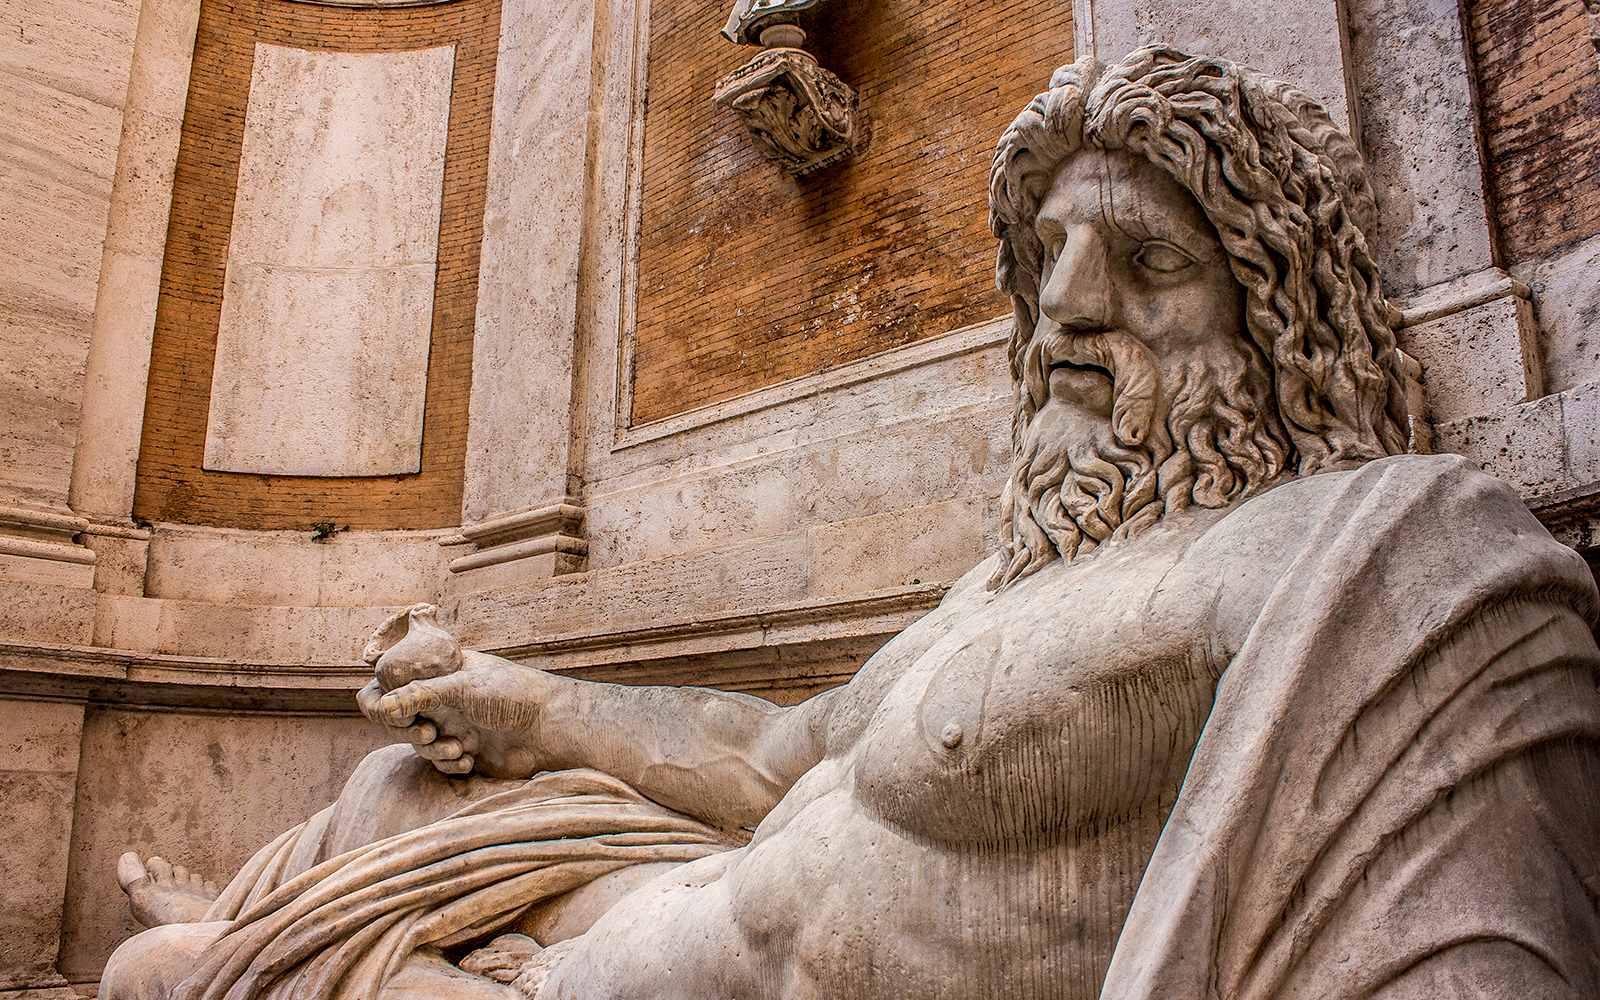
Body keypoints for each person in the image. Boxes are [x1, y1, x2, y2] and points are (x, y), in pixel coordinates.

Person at [104, 45, 1600, 1000]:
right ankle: (307, 899)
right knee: (395, 785)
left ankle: (272, 943)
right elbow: (772, 760)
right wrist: (538, 706)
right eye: (1052, 254)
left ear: (1276, 311)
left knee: (153, 979)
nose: (1069, 304)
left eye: (1145, 256)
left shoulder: (1362, 555)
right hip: (671, 914)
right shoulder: (1006, 586)